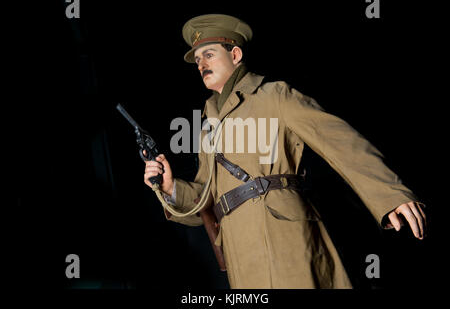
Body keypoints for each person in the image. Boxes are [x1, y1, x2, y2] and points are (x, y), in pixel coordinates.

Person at [143, 14, 426, 288]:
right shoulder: (208, 127)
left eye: (209, 54)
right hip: (241, 252)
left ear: (236, 55)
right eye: (197, 59)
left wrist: (390, 194)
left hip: (285, 236)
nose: (201, 64)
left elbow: (339, 141)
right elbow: (204, 197)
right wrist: (170, 187)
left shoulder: (274, 96)